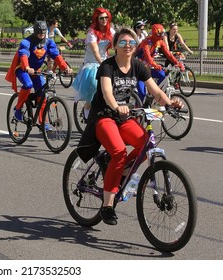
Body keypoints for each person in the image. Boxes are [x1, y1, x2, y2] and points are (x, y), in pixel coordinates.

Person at [76, 28, 183, 225]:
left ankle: (122, 171)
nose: (128, 46)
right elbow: (107, 92)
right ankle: (107, 206)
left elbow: (156, 91)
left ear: (135, 47)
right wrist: (117, 106)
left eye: (132, 43)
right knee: (118, 151)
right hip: (103, 115)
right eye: (123, 43)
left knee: (145, 143)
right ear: (115, 46)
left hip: (124, 116)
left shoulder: (138, 66)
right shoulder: (108, 66)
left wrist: (169, 103)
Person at [5, 19, 72, 130]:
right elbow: (23, 55)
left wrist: (66, 68)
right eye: (39, 32)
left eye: (43, 32)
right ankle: (17, 109)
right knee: (28, 85)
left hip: (36, 70)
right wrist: (27, 67)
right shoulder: (27, 42)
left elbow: (56, 56)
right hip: (22, 69)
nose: (42, 35)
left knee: (43, 93)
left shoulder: (49, 42)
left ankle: (42, 120)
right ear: (35, 31)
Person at [71, 7, 115, 119]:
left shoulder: (111, 31)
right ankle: (87, 107)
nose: (104, 20)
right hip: (92, 63)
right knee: (93, 86)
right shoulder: (92, 33)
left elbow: (117, 45)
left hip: (105, 61)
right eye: (101, 18)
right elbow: (95, 51)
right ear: (97, 19)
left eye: (106, 17)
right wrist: (103, 64)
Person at [135, 23, 184, 101]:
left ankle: (155, 93)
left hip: (149, 66)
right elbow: (147, 56)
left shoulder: (160, 42)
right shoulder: (146, 42)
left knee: (162, 75)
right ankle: (138, 106)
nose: (161, 35)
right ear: (155, 32)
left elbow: (168, 54)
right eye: (159, 33)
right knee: (141, 93)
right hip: (139, 67)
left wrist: (177, 63)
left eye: (162, 33)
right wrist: (155, 65)